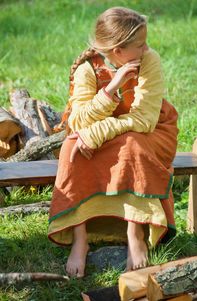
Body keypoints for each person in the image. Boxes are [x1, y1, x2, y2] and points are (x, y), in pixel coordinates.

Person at [48, 6, 178, 278]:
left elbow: (144, 121)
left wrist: (97, 133)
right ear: (118, 51)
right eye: (140, 45)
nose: (146, 49)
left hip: (149, 133)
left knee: (132, 143)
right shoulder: (88, 69)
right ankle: (80, 235)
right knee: (71, 149)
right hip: (107, 132)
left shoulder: (149, 61)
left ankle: (135, 231)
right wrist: (111, 88)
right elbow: (80, 121)